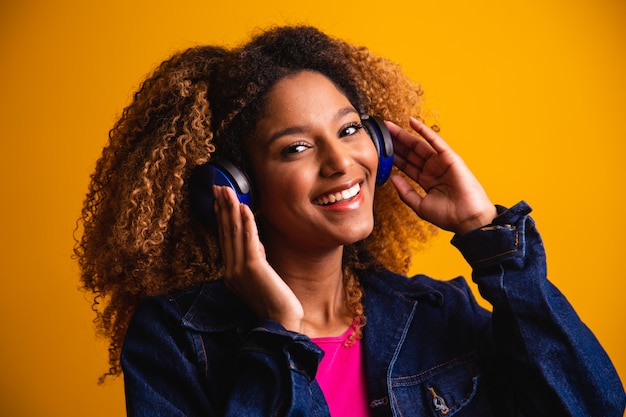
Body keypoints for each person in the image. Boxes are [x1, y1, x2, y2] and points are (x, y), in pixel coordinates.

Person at [75, 25, 625, 416]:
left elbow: (593, 404)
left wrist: (486, 235)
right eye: (295, 149)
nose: (341, 163)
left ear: (381, 146)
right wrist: (281, 335)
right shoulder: (174, 339)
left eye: (349, 130)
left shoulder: (434, 313)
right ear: (234, 188)